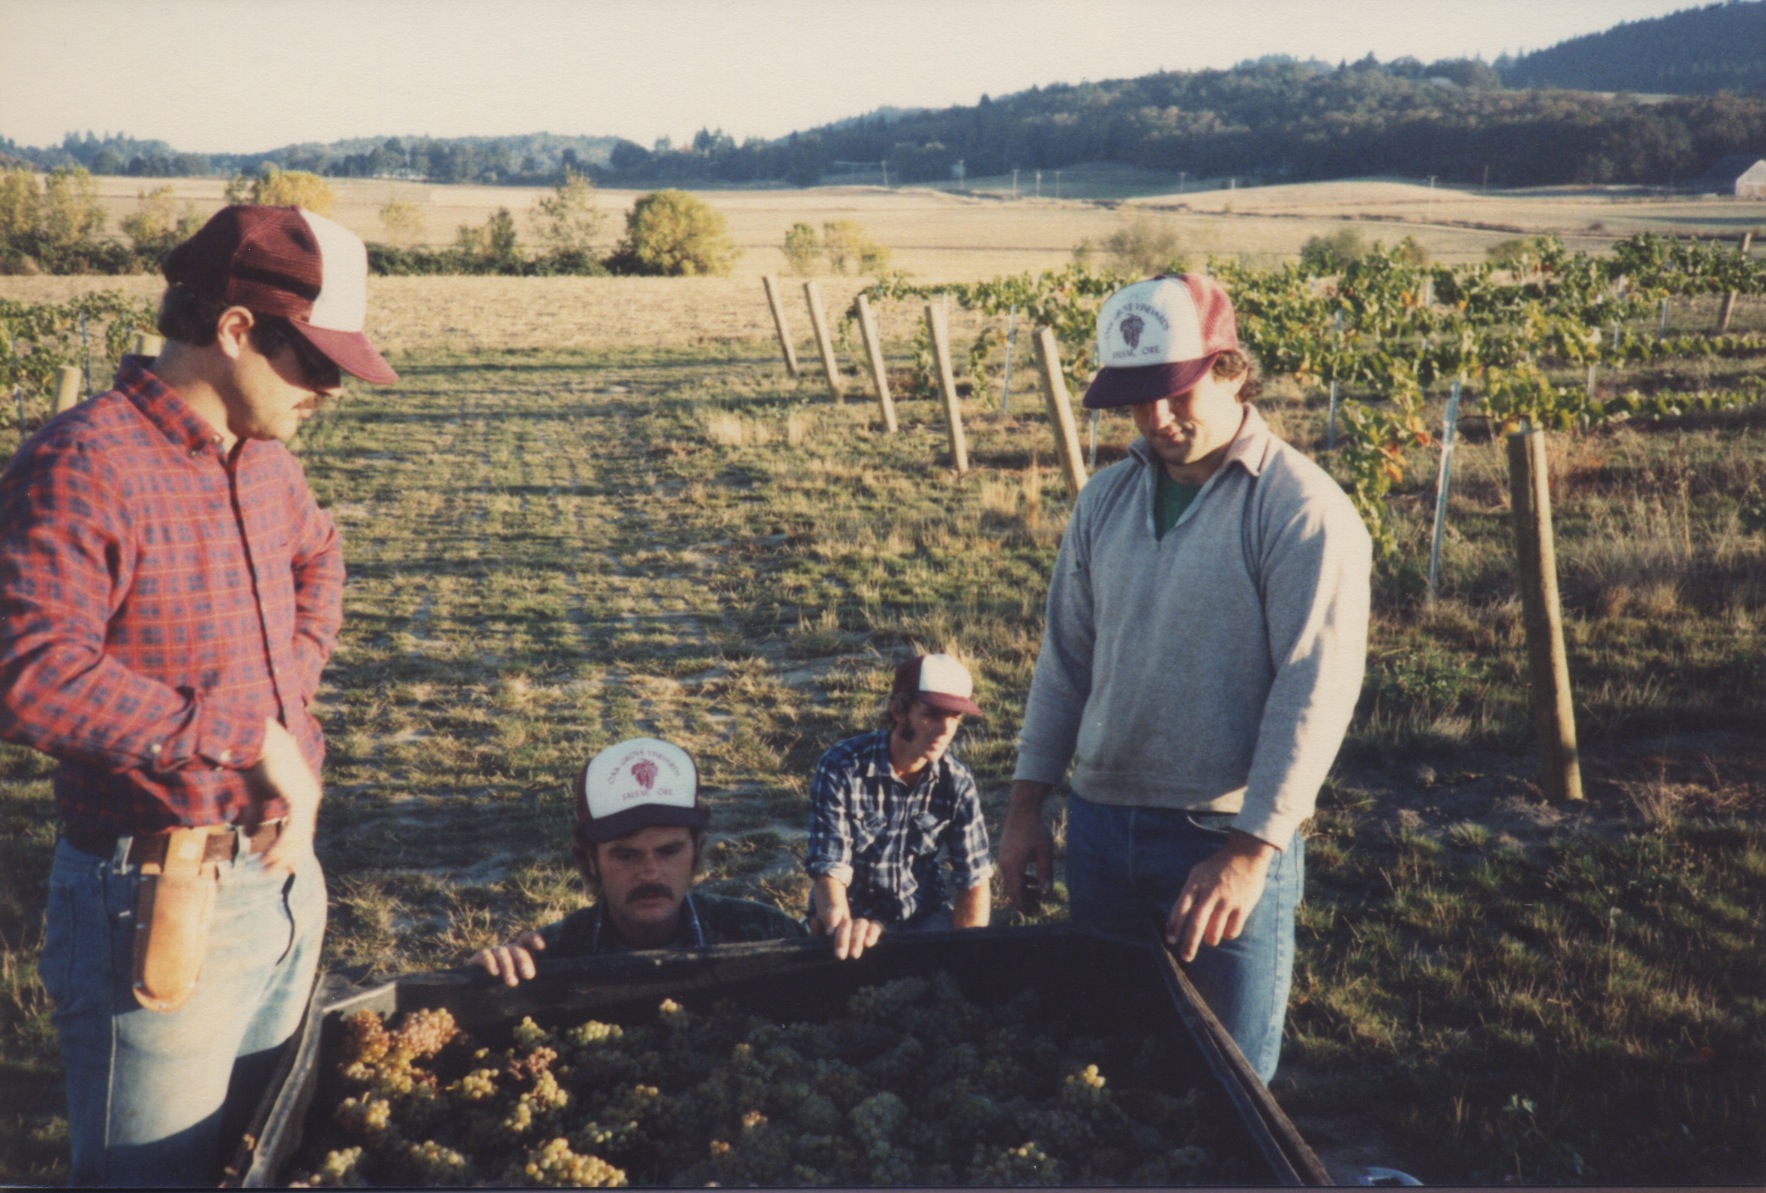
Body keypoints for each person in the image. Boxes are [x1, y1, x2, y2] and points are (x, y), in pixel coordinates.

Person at [0, 205, 399, 1185]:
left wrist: (291, 685)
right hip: (159, 898)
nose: (330, 388)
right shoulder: (82, 463)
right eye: (313, 360)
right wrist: (245, 733)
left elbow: (321, 552)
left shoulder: (264, 462)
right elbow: (30, 676)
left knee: (264, 1155)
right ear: (232, 329)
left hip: (286, 884)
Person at [998, 273, 1371, 1084]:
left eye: (1173, 391)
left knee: (1224, 1084)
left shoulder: (1299, 509)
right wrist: (1029, 804)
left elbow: (1315, 690)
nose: (1156, 419)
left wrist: (1248, 853)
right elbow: (1064, 660)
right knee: (1106, 1062)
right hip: (1099, 830)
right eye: (1136, 399)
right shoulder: (1105, 501)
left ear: (1231, 368)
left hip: (1215, 837)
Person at [474, 737, 806, 983]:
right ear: (591, 861)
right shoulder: (548, 956)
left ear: (696, 851)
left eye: (669, 851)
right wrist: (485, 976)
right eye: (626, 855)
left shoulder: (765, 933)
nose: (650, 872)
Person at [803, 654, 993, 960]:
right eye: (932, 714)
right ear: (899, 711)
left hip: (924, 919)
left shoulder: (957, 781)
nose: (945, 729)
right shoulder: (842, 766)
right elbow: (829, 870)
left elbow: (975, 879)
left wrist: (967, 953)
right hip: (852, 917)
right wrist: (842, 928)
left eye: (955, 716)